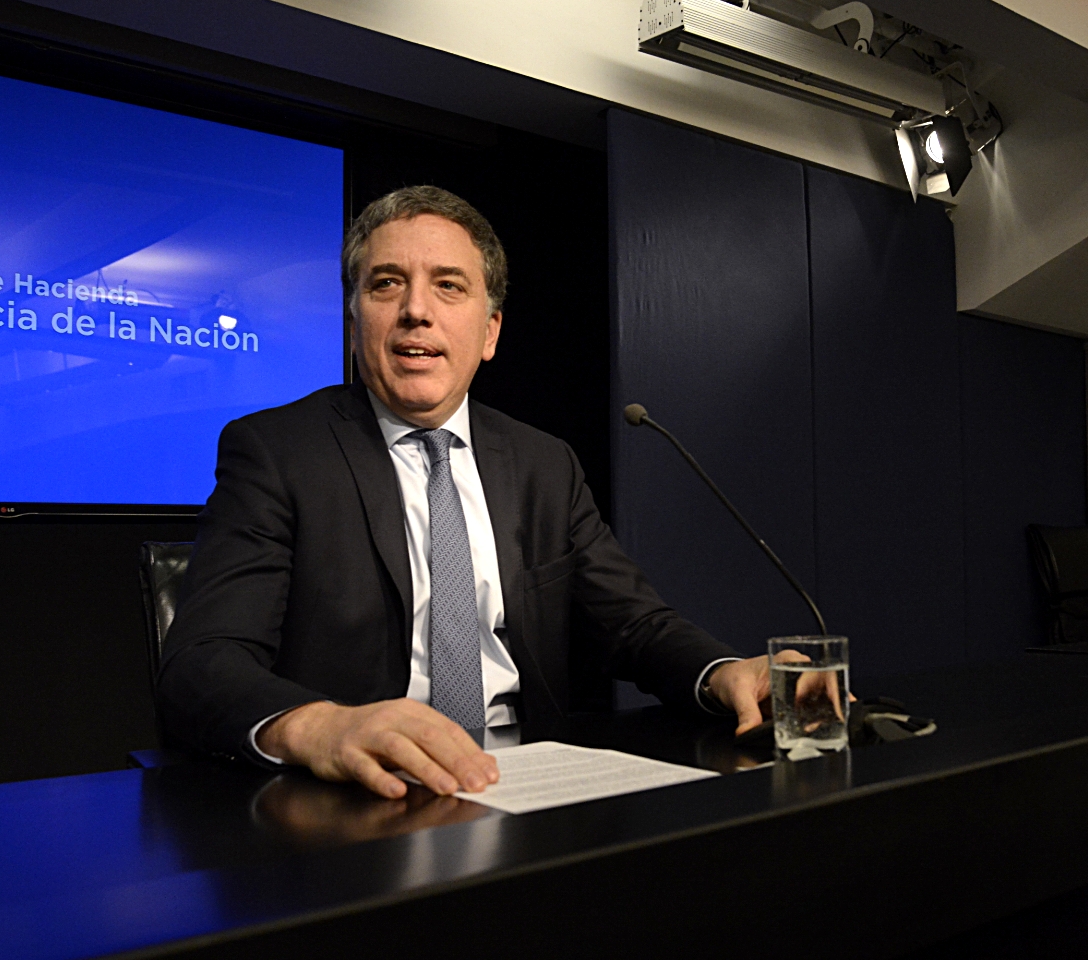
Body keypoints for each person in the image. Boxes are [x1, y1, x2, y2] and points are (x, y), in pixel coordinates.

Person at [158, 185, 783, 799]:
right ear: (353, 324)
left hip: (523, 786)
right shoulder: (277, 452)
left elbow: (633, 624)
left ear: (490, 333)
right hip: (363, 793)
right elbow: (203, 661)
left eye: (449, 286)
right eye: (386, 284)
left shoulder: (544, 464)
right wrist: (322, 726)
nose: (416, 310)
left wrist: (724, 672)